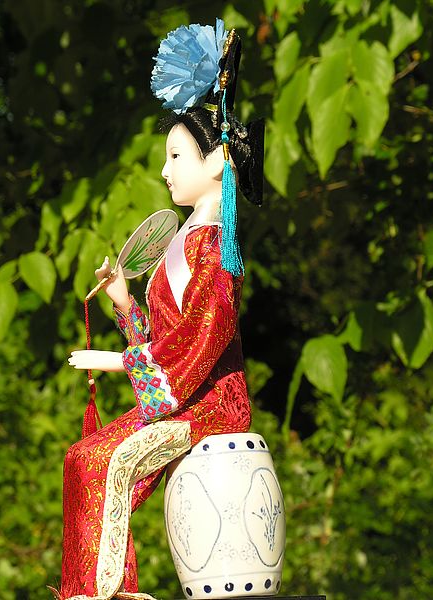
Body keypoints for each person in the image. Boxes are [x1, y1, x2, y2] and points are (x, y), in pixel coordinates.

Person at [57, 19, 264, 600]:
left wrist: (120, 361)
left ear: (218, 160)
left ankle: (107, 592)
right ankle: (89, 589)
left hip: (211, 406)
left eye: (177, 155)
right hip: (182, 397)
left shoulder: (216, 252)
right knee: (83, 458)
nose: (166, 169)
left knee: (107, 463)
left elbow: (202, 346)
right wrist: (126, 305)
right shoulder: (186, 241)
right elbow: (167, 342)